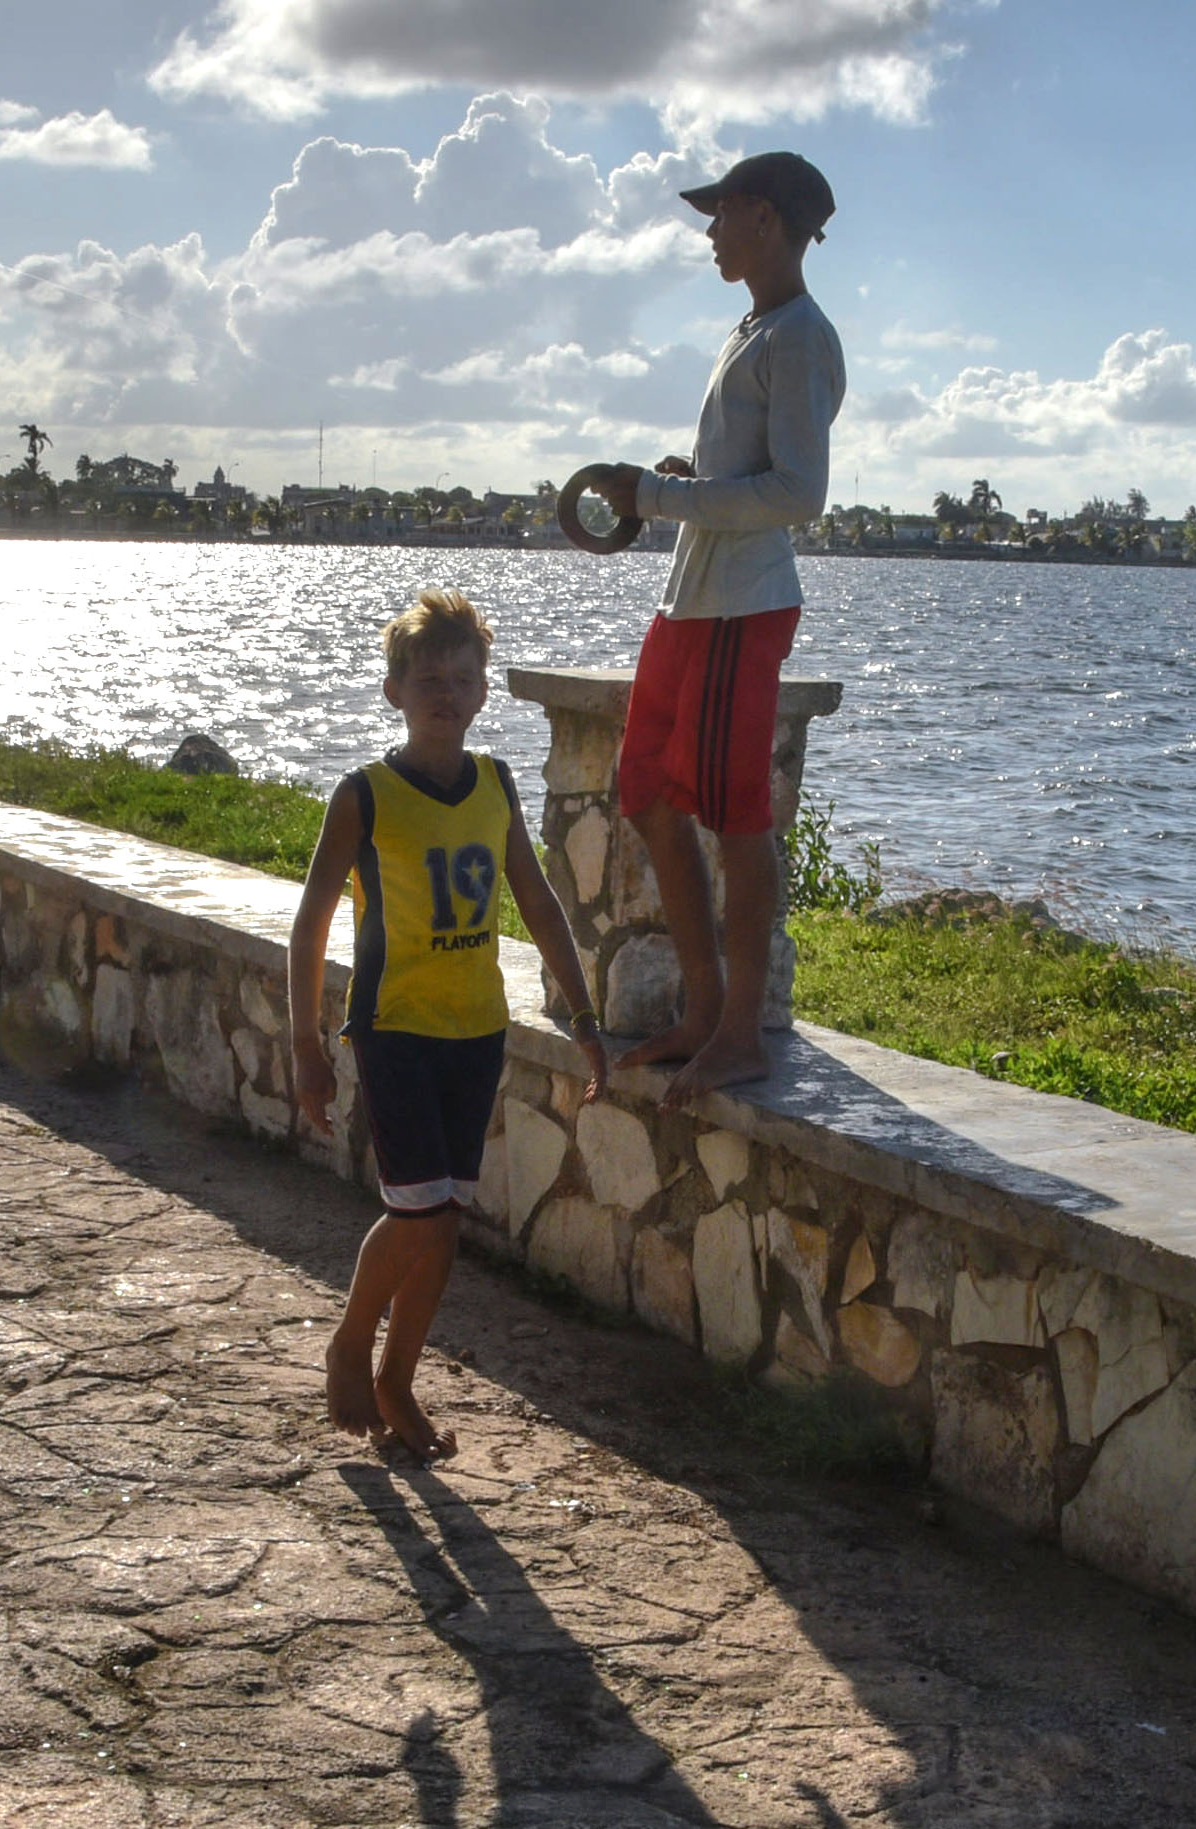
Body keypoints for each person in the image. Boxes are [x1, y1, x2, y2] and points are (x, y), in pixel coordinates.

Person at [287, 590, 608, 1456]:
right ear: (393, 689)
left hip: (476, 1033)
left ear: (480, 693)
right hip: (394, 1029)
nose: (444, 692)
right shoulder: (365, 796)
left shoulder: (496, 785)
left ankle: (399, 1377)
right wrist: (307, 1047)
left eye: (461, 679)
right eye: (427, 678)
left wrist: (583, 1015)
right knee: (420, 1216)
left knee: (443, 1222)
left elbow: (538, 903)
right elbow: (311, 922)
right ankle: (354, 1342)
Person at [574, 149, 847, 1096]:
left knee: (736, 815)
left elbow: (797, 494)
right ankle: (704, 1005)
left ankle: (738, 1029)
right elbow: (744, 479)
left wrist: (656, 494)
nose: (710, 230)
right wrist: (680, 490)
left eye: (722, 212)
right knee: (644, 785)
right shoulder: (754, 329)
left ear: (765, 218)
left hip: (743, 605)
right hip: (693, 599)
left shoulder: (800, 337)